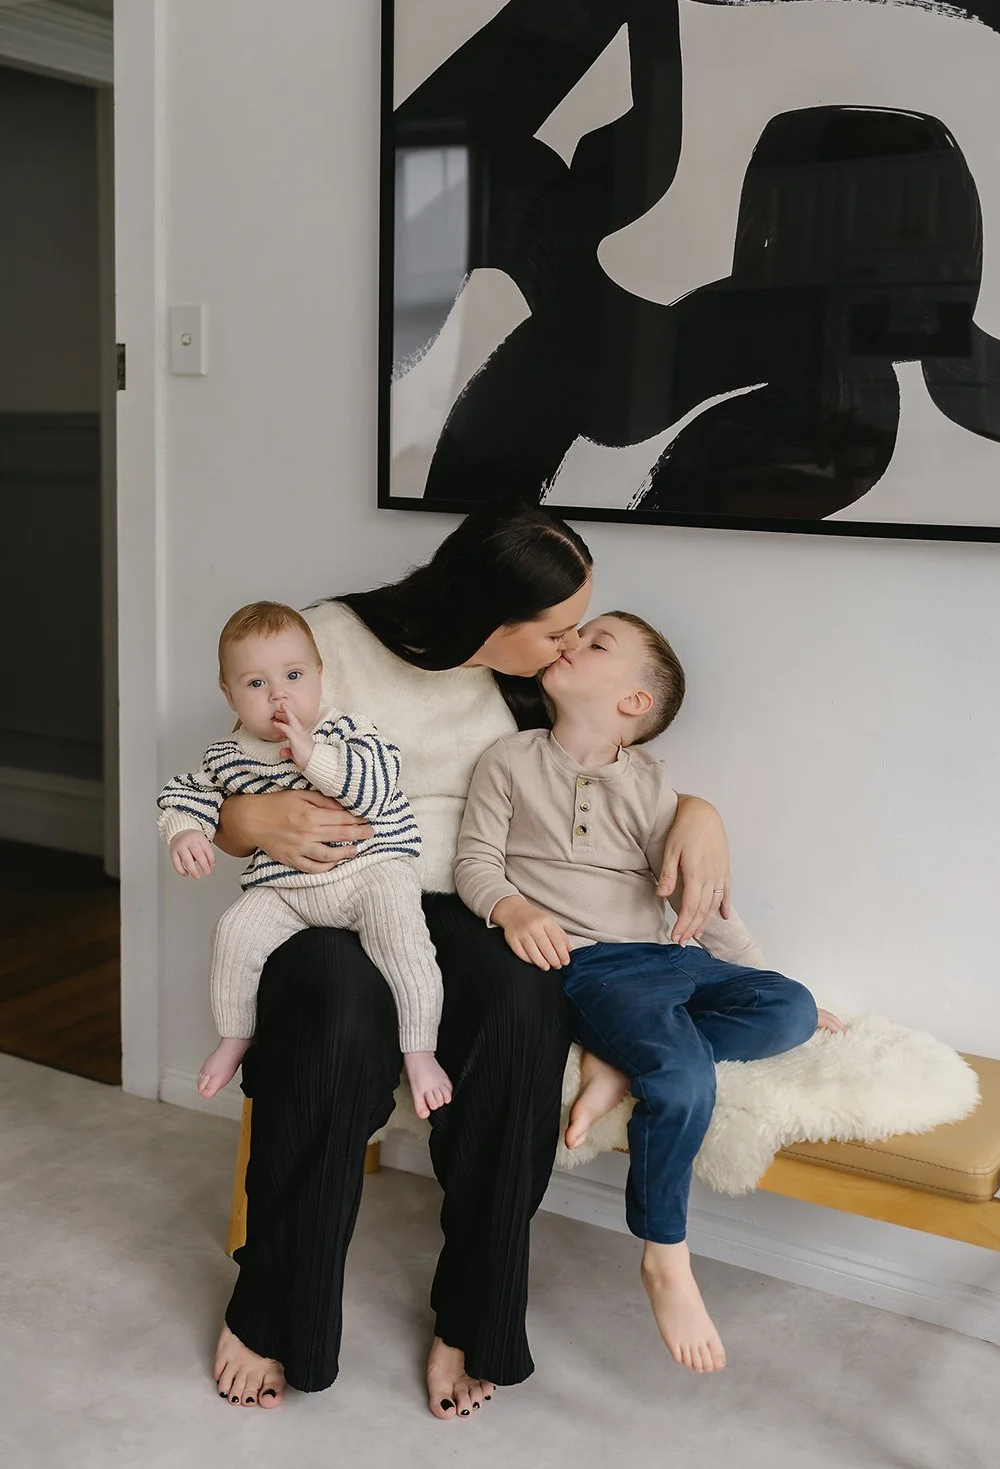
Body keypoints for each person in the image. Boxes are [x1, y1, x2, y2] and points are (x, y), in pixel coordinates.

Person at [210, 501, 739, 1417]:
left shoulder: (526, 684)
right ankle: (273, 1304)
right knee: (336, 1019)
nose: (567, 648)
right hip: (326, 892)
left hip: (464, 900)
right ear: (490, 617)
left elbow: (605, 771)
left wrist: (702, 813)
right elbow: (229, 784)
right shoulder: (327, 639)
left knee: (522, 1012)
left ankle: (476, 1313)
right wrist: (249, 820)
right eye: (557, 630)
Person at [455, 610, 838, 1376]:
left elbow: (702, 902)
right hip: (591, 968)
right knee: (684, 1075)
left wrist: (758, 973)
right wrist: (513, 908)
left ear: (633, 703)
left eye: (596, 643)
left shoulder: (651, 786)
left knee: (790, 1007)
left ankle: (620, 1064)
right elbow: (474, 862)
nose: (572, 642)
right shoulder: (509, 760)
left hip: (668, 955)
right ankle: (666, 1252)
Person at [156, 601, 451, 1117]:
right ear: (228, 694)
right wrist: (184, 831)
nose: (279, 695)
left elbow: (374, 791)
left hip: (369, 874)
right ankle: (234, 1037)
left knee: (403, 939)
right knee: (233, 933)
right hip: (285, 890)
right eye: (256, 683)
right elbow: (187, 794)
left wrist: (312, 755)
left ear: (319, 675)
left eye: (293, 676)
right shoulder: (228, 755)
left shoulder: (347, 732)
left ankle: (420, 1050)